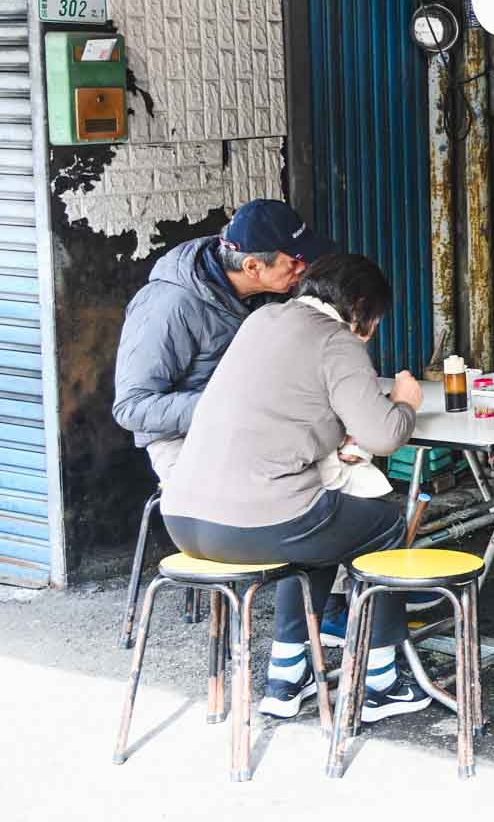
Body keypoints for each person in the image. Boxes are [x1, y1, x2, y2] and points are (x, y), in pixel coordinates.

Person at [158, 254, 433, 723]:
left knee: (322, 527)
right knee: (386, 522)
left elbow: (282, 409)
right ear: (360, 307)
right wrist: (404, 401)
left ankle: (286, 675)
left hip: (184, 519)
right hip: (255, 525)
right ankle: (382, 681)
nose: (372, 330)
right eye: (375, 320)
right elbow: (385, 434)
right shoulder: (336, 340)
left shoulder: (262, 319)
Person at [113, 199, 334, 482]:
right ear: (253, 266)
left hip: (256, 425)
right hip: (187, 441)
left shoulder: (269, 291)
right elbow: (131, 408)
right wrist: (230, 405)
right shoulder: (168, 306)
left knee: (332, 478)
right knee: (260, 506)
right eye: (293, 263)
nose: (303, 269)